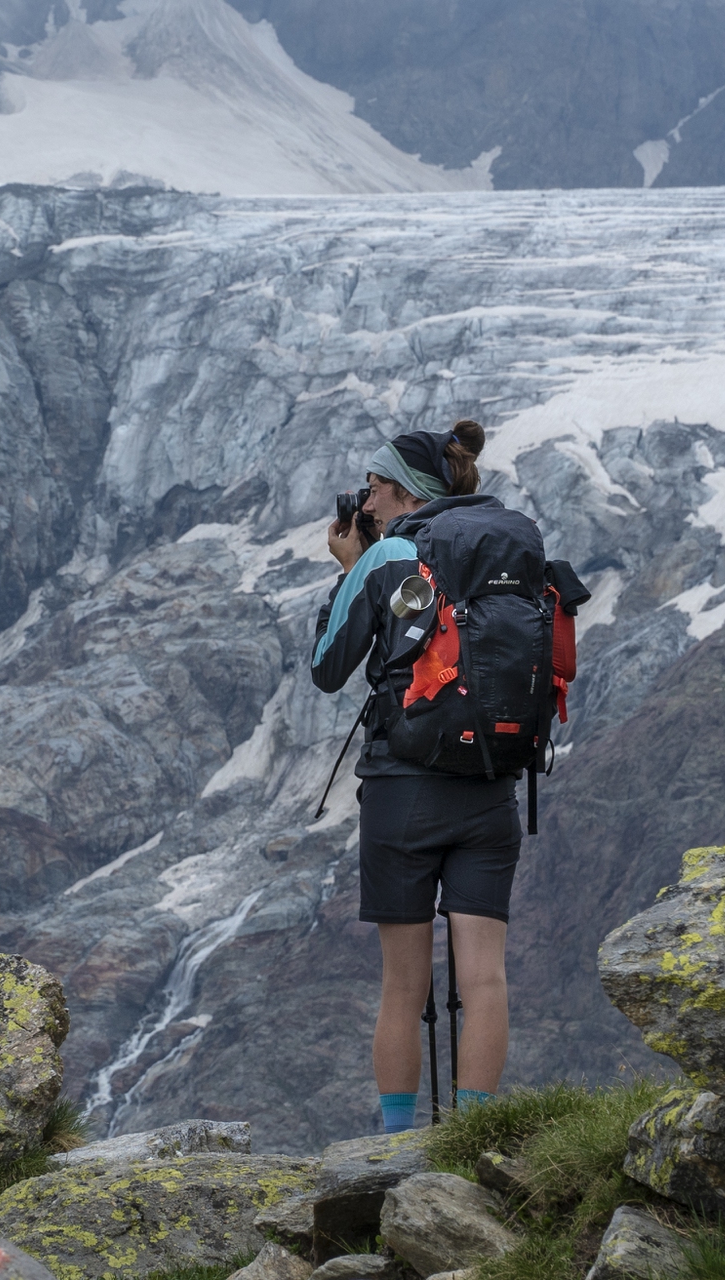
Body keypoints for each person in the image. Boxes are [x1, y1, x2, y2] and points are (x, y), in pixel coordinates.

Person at [310, 419, 518, 1134]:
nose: (361, 504)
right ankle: (474, 1143)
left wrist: (350, 572)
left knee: (403, 984)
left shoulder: (390, 554)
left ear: (402, 492)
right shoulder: (503, 546)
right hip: (493, 785)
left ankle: (399, 1153)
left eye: (371, 489)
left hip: (403, 790)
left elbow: (327, 669)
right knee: (485, 977)